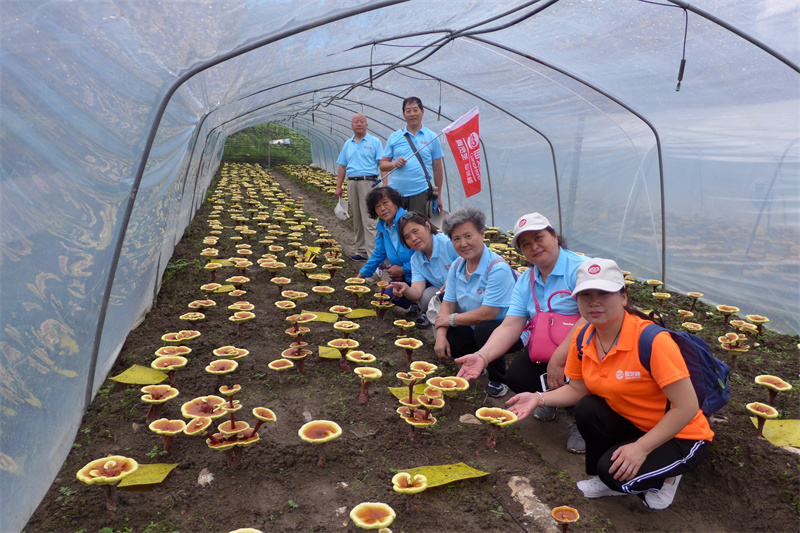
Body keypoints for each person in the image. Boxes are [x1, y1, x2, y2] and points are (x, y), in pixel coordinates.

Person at [506, 258, 714, 510]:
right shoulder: (583, 337)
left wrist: (641, 448)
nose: (594, 302)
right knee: (587, 407)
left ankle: (667, 477)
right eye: (586, 295)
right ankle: (610, 476)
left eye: (604, 293)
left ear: (623, 297)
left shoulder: (652, 341)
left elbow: (687, 407)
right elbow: (577, 389)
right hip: (637, 423)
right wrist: (539, 398)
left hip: (682, 433)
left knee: (615, 475)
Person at [455, 212, 590, 453]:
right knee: (516, 377)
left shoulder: (581, 269)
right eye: (526, 244)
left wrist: (559, 358)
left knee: (591, 386)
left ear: (555, 236)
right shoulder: (527, 279)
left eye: (539, 238)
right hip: (549, 345)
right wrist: (483, 356)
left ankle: (583, 420)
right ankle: (552, 396)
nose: (534, 247)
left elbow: (591, 318)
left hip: (590, 350)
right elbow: (510, 325)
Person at [433, 206, 519, 397]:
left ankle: (498, 379)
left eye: (468, 236)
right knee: (450, 336)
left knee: (484, 328)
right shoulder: (457, 266)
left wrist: (451, 320)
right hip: (473, 324)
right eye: (456, 239)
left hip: (507, 329)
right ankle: (478, 361)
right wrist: (440, 335)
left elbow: (489, 313)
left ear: (482, 234)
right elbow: (448, 303)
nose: (463, 243)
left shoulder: (497, 268)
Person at [390, 211, 460, 328]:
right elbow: (417, 293)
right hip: (447, 294)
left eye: (415, 231)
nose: (413, 238)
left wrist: (453, 281)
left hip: (468, 289)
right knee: (426, 297)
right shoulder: (416, 259)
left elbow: (471, 264)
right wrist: (406, 288)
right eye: (407, 237)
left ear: (427, 226)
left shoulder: (449, 243)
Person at [356, 186, 416, 313]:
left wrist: (402, 269)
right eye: (377, 206)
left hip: (422, 274)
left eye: (385, 202)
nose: (382, 209)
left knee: (420, 294)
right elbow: (378, 253)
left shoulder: (410, 222)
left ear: (395, 202)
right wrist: (361, 275)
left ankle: (422, 304)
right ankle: (413, 299)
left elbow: (424, 256)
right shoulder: (384, 227)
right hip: (404, 277)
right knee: (388, 297)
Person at [380, 97, 444, 214]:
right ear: (404, 114)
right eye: (408, 111)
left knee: (417, 229)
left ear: (422, 112)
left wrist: (438, 196)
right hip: (395, 193)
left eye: (415, 110)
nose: (412, 114)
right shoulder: (395, 137)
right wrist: (394, 164)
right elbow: (382, 165)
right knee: (397, 228)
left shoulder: (432, 137)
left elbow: (438, 169)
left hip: (420, 193)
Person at [335, 113, 383, 261]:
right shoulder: (348, 143)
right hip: (352, 182)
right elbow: (342, 166)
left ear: (367, 125)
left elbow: (382, 163)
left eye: (362, 121)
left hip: (368, 183)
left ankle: (372, 254)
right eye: (356, 122)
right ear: (352, 125)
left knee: (369, 219)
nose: (359, 124)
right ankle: (361, 251)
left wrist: (385, 186)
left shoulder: (374, 142)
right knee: (357, 218)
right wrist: (338, 187)